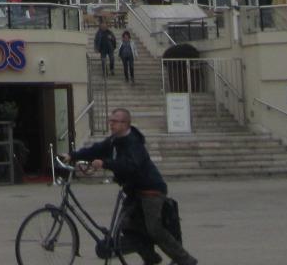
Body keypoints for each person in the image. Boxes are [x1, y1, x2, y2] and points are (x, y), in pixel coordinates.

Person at [70, 108, 197, 265]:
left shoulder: (133, 142)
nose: (111, 124)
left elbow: (131, 165)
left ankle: (186, 260)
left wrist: (105, 163)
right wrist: (72, 156)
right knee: (127, 226)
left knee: (154, 229)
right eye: (110, 121)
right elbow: (96, 149)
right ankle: (150, 258)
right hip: (133, 190)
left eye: (114, 121)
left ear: (125, 124)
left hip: (150, 189)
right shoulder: (114, 140)